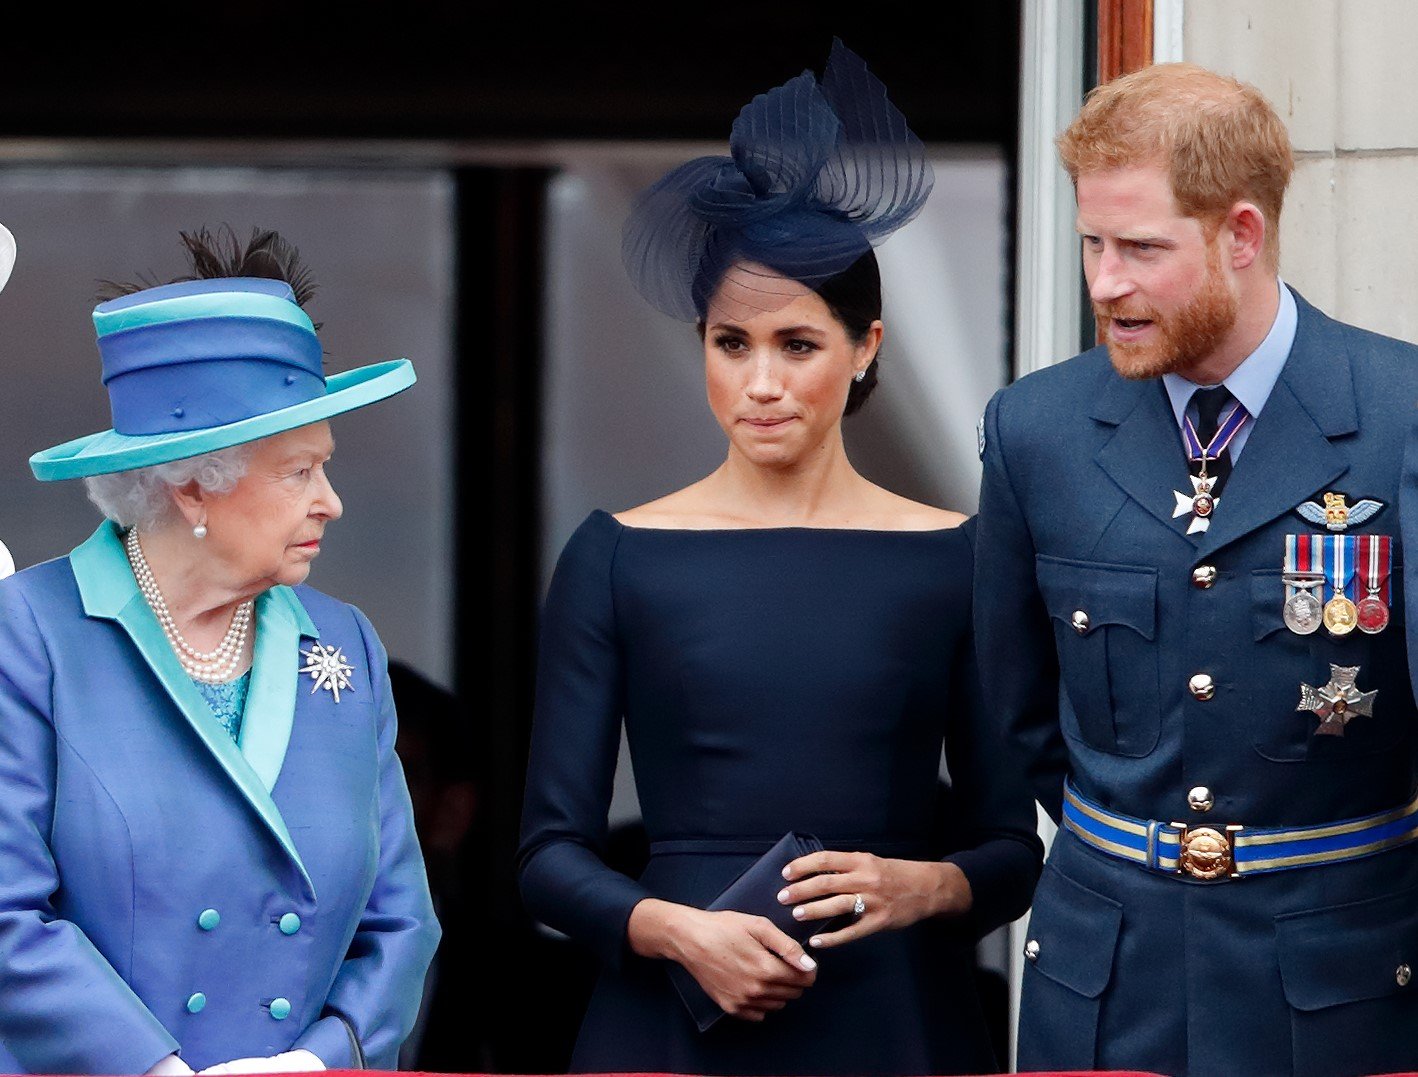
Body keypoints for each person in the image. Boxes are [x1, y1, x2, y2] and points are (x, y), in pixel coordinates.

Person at [519, 41, 1042, 1076]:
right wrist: (675, 930)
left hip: (891, 1015)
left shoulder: (954, 558)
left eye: (796, 344)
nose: (760, 382)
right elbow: (546, 858)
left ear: (865, 348)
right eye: (730, 344)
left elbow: (1008, 848)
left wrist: (918, 887)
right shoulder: (618, 556)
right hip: (672, 1013)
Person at [975, 63, 1418, 1077]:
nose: (1102, 282)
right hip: (1104, 984)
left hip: (1331, 987)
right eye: (1090, 242)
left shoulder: (1395, 416)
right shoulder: (1034, 429)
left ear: (1240, 235)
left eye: (1140, 248)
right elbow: (1017, 719)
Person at [0, 228, 441, 1074]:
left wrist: (315, 1063)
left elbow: (402, 919)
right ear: (194, 481)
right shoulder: (29, 636)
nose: (331, 502)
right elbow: (7, 914)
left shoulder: (344, 641)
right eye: (298, 472)